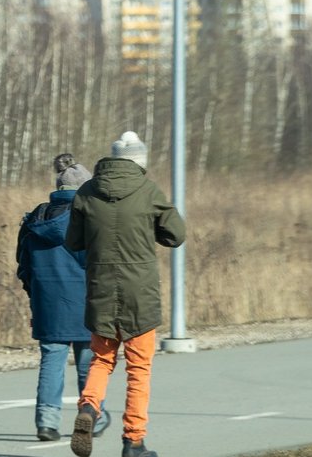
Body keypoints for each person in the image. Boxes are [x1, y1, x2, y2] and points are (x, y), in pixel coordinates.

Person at [64, 132, 186, 457]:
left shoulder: (87, 192)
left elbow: (73, 242)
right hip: (140, 293)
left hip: (100, 288)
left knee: (101, 360)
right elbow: (176, 234)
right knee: (139, 369)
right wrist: (152, 229)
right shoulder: (148, 190)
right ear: (141, 161)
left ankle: (89, 408)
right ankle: (134, 441)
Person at [16, 154, 111, 442]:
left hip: (47, 301)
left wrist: (36, 294)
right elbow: (101, 264)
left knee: (51, 361)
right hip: (85, 301)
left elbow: (23, 265)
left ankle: (46, 422)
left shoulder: (35, 219)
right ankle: (92, 413)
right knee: (89, 362)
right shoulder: (90, 218)